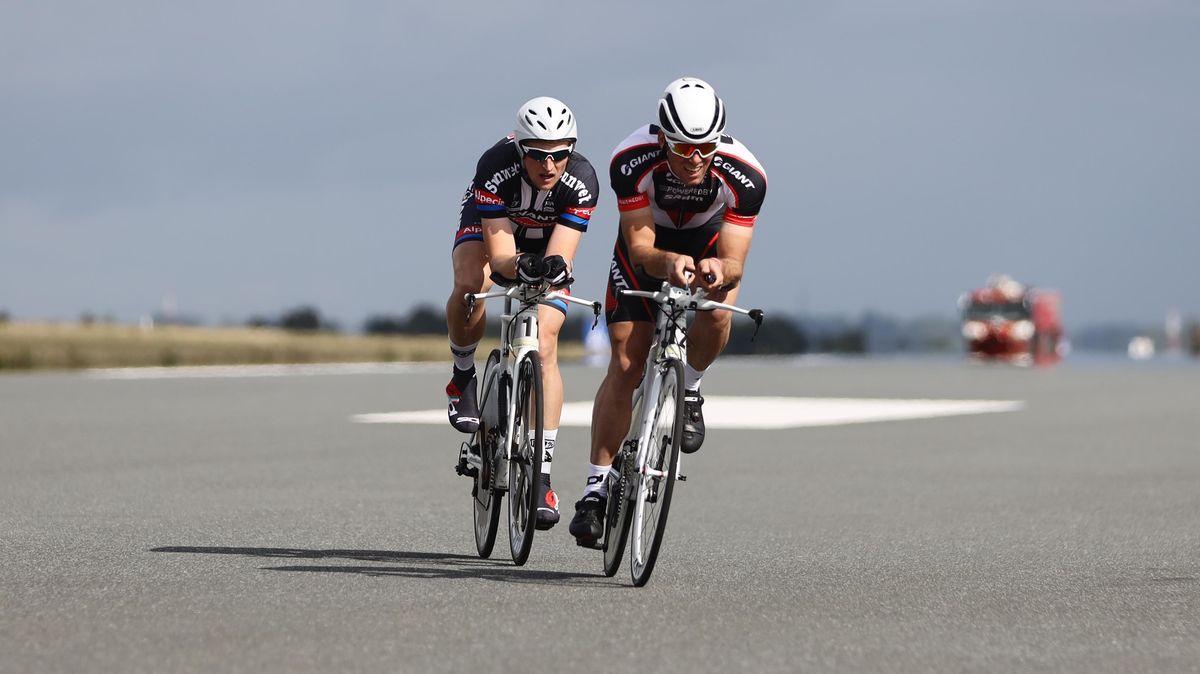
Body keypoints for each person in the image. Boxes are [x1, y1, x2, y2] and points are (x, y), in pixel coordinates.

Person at [568, 77, 767, 546]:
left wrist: (719, 269)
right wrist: (667, 262)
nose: (695, 159)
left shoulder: (746, 175)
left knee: (718, 314)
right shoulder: (631, 159)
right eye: (682, 147)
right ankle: (595, 488)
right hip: (648, 249)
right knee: (625, 363)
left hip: (708, 246)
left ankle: (691, 390)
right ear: (662, 137)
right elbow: (639, 247)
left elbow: (736, 259)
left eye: (705, 147)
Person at [444, 96, 600, 530]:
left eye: (559, 155)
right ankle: (462, 377)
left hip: (547, 233)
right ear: (521, 150)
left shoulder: (583, 180)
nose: (549, 166)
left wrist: (550, 270)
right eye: (538, 155)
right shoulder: (496, 166)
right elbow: (499, 257)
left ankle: (543, 475)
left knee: (545, 340)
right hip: (495, 225)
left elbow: (562, 254)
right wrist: (517, 266)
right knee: (473, 284)